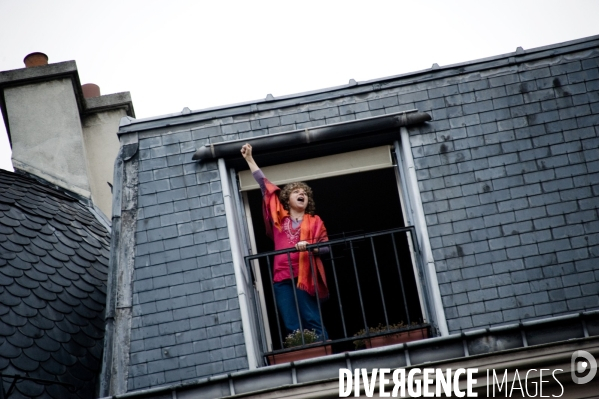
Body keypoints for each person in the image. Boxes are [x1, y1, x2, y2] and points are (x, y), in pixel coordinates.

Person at [240, 143, 329, 340]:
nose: (302, 194)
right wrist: (249, 160)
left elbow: (325, 247)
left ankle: (323, 351)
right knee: (291, 324)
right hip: (281, 277)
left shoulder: (315, 221)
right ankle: (301, 355)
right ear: (287, 199)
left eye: (304, 193)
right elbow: (265, 186)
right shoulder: (280, 220)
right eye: (297, 192)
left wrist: (311, 248)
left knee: (311, 318)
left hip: (303, 276)